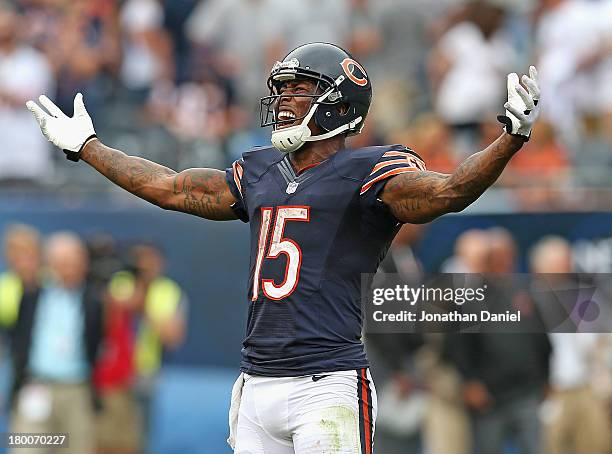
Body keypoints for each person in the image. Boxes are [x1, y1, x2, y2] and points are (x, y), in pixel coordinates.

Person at [26, 42, 541, 453]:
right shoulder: (258, 170)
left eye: (298, 89)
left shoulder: (370, 170)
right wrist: (88, 149)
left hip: (327, 382)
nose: (284, 99)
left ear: (337, 103)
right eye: (282, 88)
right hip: (255, 382)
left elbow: (448, 191)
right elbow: (170, 186)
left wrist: (509, 140)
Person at [9, 232, 103, 454]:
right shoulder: (31, 295)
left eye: (73, 262)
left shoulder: (93, 300)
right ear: (50, 264)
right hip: (36, 387)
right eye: (61, 263)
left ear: (84, 264)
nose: (68, 269)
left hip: (76, 390)